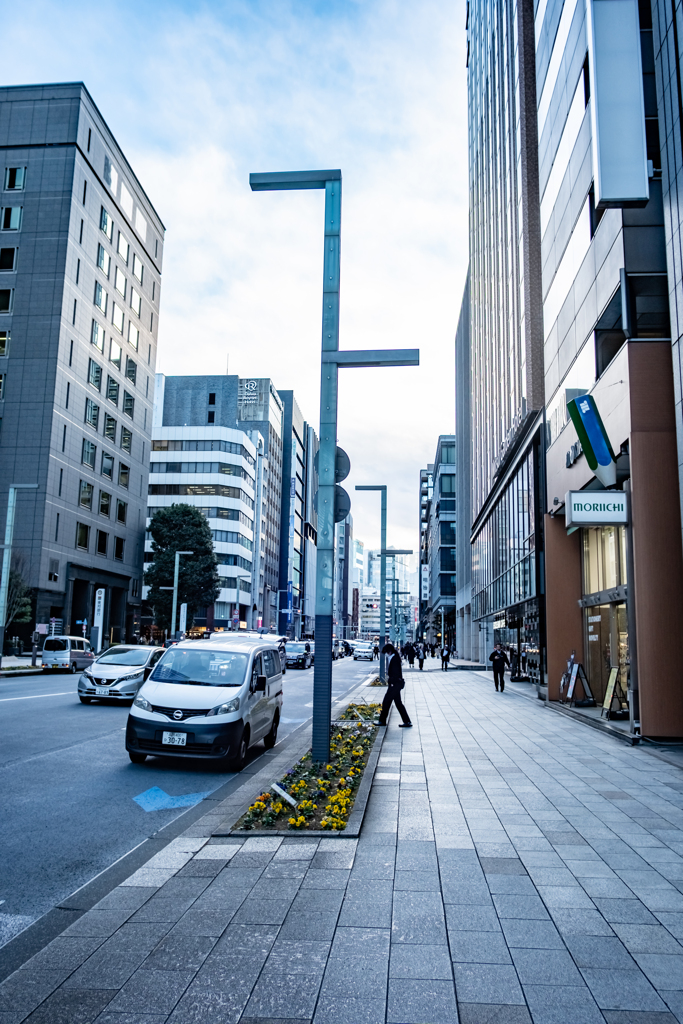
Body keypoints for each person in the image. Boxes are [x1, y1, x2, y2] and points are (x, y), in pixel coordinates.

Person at [377, 643, 412, 727]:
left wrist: (391, 682)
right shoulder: (394, 658)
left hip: (394, 684)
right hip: (396, 684)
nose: (385, 654)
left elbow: (396, 674)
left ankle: (382, 721)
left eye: (385, 652)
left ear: (389, 651)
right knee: (398, 703)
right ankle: (407, 721)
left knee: (386, 702)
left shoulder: (394, 659)